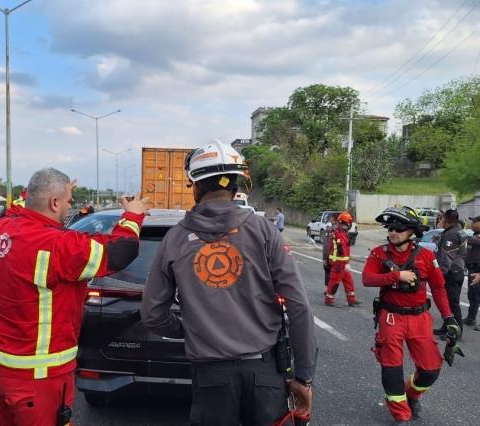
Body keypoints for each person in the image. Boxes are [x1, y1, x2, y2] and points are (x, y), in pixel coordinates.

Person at [140, 140, 316, 426]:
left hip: (211, 378)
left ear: (194, 187)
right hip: (265, 375)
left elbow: (152, 314)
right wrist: (304, 377)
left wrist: (191, 329)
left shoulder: (174, 239)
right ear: (236, 186)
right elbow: (299, 307)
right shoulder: (264, 231)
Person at [0, 167, 147, 426]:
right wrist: (133, 216)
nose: (70, 207)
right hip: (38, 378)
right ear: (54, 202)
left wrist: (57, 188)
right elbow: (121, 251)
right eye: (68, 200)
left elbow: (17, 208)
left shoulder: (1, 229)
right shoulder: (56, 245)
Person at [362, 206, 461, 424]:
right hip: (391, 317)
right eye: (389, 227)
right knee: (392, 369)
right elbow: (367, 279)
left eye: (398, 227)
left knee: (431, 369)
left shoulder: (425, 256)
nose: (392, 232)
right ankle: (401, 415)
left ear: (411, 232)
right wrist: (396, 276)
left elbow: (438, 288)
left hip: (420, 319)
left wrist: (449, 318)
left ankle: (412, 395)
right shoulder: (379, 253)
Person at [433, 209, 468, 336]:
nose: (439, 219)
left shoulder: (451, 234)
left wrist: (440, 274)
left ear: (447, 220)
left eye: (441, 217)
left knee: (452, 303)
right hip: (457, 271)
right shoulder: (458, 230)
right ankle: (446, 327)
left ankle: (456, 332)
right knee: (448, 302)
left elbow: (447, 257)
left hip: (451, 273)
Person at [324, 211, 362, 307]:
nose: (350, 224)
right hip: (339, 263)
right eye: (349, 222)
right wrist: (346, 262)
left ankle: (351, 300)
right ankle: (329, 300)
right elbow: (343, 249)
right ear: (346, 223)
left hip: (340, 262)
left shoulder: (340, 232)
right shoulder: (341, 234)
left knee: (348, 281)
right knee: (335, 282)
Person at [464, 215, 480, 328]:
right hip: (472, 268)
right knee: (472, 295)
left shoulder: (475, 237)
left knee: (475, 295)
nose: (472, 224)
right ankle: (471, 318)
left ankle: (471, 318)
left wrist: (461, 235)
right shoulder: (475, 235)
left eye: (474, 222)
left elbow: (471, 240)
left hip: (477, 270)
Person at [322, 213, 339, 290]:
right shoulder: (329, 228)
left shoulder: (337, 230)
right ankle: (328, 288)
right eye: (330, 219)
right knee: (327, 270)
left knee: (332, 272)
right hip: (327, 253)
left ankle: (330, 289)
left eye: (332, 219)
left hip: (333, 254)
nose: (330, 220)